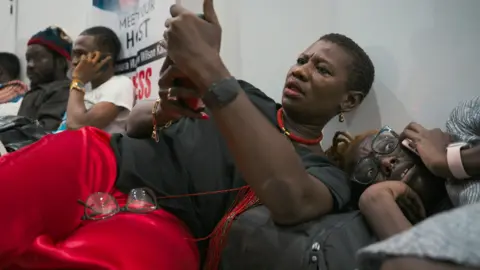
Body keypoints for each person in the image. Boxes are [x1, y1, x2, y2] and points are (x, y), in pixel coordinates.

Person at [0, 1, 374, 269]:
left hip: (163, 223)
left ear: (350, 99)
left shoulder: (324, 171)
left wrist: (211, 72)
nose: (301, 71)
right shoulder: (247, 93)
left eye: (321, 69)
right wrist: (166, 107)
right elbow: (136, 121)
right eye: (302, 60)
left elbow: (293, 202)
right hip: (102, 160)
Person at [65, 26, 135, 133]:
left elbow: (77, 126)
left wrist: (78, 81)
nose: (74, 61)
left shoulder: (120, 84)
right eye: (74, 55)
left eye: (81, 54)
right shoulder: (84, 90)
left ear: (106, 59)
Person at [17, 26, 72, 131]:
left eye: (39, 58)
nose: (30, 65)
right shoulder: (37, 91)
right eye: (28, 59)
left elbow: (44, 131)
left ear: (60, 63)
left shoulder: (63, 90)